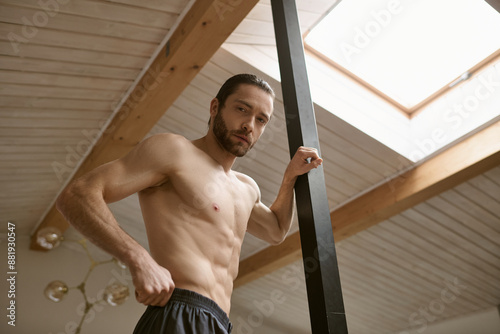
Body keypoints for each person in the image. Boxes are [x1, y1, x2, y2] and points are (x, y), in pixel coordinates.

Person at [56, 73, 322, 333]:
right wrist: (139, 259)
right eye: (242, 109)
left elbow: (275, 230)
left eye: (261, 119)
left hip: (220, 323)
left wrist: (289, 179)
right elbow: (78, 195)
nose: (249, 125)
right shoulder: (175, 151)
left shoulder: (246, 188)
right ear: (215, 107)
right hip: (179, 312)